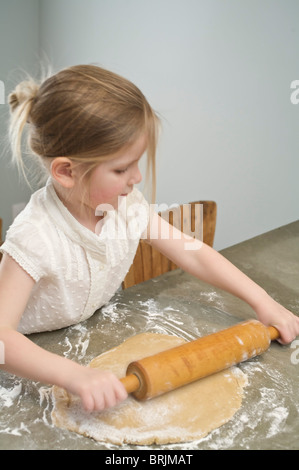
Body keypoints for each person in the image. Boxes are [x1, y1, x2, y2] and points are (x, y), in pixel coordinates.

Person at [0, 65, 298, 413]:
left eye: (137, 164)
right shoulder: (35, 237)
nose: (136, 178)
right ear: (67, 171)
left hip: (84, 332)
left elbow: (194, 254)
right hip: (27, 359)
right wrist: (73, 375)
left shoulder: (126, 206)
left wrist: (263, 301)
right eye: (121, 169)